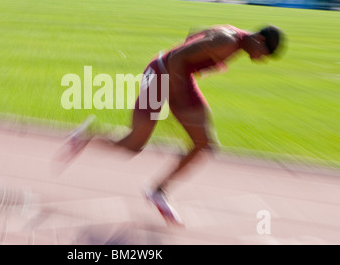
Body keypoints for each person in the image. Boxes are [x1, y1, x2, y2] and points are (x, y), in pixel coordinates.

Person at [59, 24, 284, 226]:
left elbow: (196, 32)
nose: (261, 59)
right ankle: (88, 134)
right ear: (260, 40)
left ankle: (157, 191)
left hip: (176, 77)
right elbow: (177, 57)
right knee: (135, 144)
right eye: (265, 54)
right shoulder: (228, 41)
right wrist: (176, 99)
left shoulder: (235, 37)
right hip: (161, 75)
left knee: (203, 143)